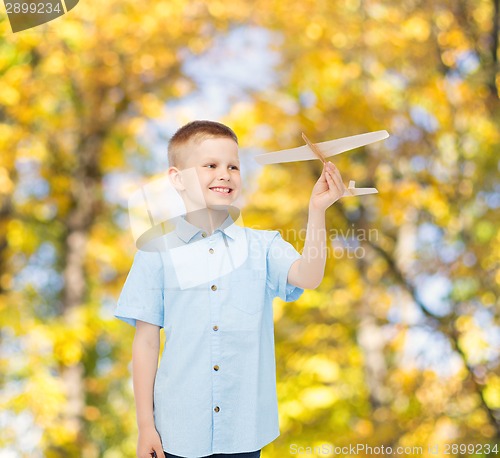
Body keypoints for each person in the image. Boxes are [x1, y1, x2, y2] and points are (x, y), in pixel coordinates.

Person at [115, 120, 346, 458]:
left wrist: (317, 210)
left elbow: (309, 276)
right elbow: (146, 342)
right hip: (176, 433)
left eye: (233, 166)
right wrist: (145, 426)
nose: (225, 174)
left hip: (243, 434)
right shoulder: (155, 253)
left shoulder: (264, 246)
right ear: (177, 178)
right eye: (211, 165)